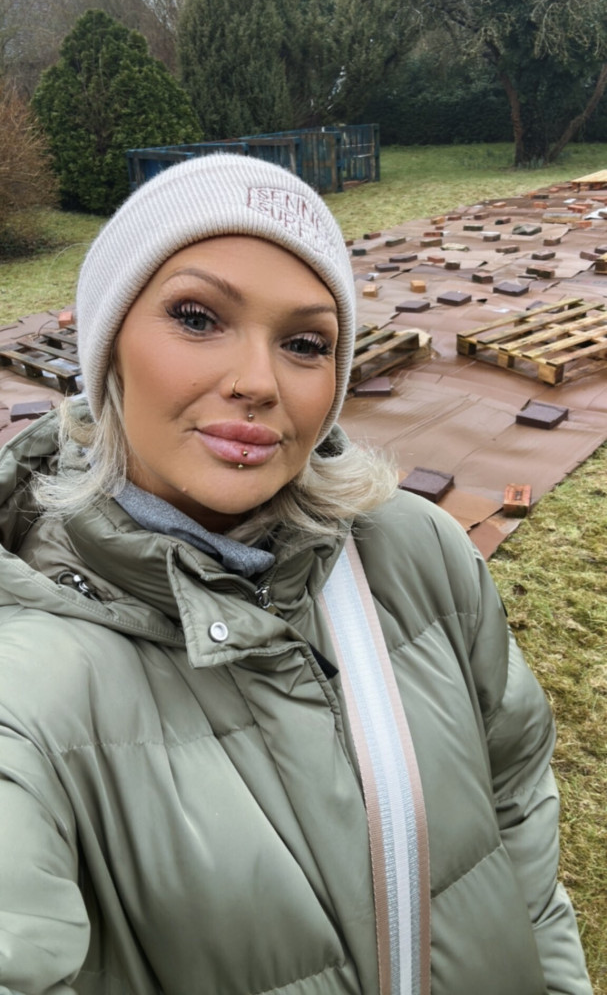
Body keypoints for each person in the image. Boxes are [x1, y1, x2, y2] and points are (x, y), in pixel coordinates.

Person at [0, 153, 592, 995]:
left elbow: (518, 806)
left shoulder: (417, 553)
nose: (258, 382)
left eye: (305, 344)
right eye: (197, 318)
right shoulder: (25, 688)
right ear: (107, 350)